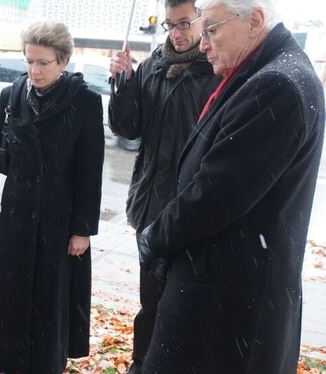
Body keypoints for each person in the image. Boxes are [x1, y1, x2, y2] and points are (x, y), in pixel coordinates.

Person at [137, 0, 325, 372]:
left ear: (254, 21)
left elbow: (213, 197)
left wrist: (151, 239)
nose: (202, 44)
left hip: (227, 311)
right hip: (227, 299)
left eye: (211, 30)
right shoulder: (266, 73)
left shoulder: (276, 84)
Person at [0, 21, 104, 374]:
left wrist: (83, 229)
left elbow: (90, 173)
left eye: (43, 62)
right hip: (16, 214)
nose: (34, 70)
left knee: (49, 297)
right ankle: (10, 359)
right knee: (12, 291)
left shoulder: (86, 102)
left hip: (58, 220)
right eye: (29, 61)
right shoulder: (12, 95)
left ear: (62, 62)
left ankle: (46, 364)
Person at [107, 1, 220, 372]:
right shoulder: (153, 65)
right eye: (171, 24)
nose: (178, 32)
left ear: (202, 19)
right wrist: (122, 85)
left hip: (191, 207)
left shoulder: (215, 69)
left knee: (186, 304)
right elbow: (128, 128)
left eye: (186, 23)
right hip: (150, 206)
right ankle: (142, 366)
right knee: (150, 303)